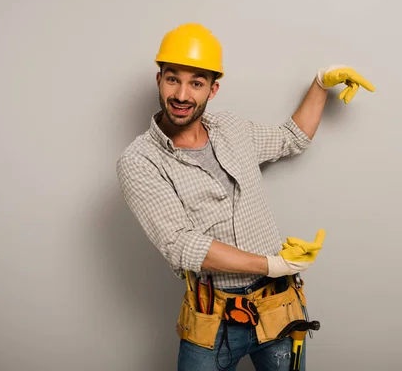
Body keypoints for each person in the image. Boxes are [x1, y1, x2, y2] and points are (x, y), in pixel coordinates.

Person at [116, 23, 375, 370]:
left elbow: (291, 138)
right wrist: (269, 264)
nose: (181, 94)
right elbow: (181, 244)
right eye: (172, 78)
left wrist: (320, 83)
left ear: (213, 89)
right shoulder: (139, 161)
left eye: (196, 82)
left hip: (277, 307)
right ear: (159, 79)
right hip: (212, 320)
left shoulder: (232, 130)